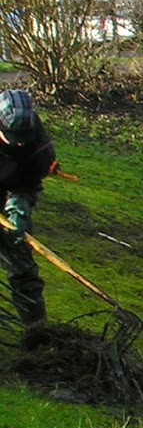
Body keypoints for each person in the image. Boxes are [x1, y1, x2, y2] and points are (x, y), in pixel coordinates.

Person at [0, 89, 57, 330]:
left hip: (12, 195)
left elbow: (29, 183)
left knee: (21, 264)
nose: (20, 142)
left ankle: (36, 330)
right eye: (14, 136)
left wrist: (18, 207)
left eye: (24, 136)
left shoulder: (39, 148)